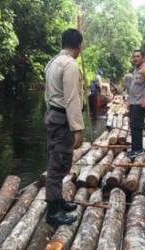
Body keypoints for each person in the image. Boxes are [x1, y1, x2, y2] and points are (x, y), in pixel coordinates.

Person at [44, 28, 84, 225]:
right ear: (78, 47)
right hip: (62, 119)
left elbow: (47, 94)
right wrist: (78, 128)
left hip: (53, 115)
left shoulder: (52, 63)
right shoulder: (70, 65)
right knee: (58, 164)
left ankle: (58, 201)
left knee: (57, 159)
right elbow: (71, 99)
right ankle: (53, 212)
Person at [124, 49, 145, 160]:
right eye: (134, 56)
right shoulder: (136, 70)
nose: (135, 58)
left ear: (143, 58)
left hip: (140, 102)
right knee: (133, 125)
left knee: (137, 125)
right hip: (133, 102)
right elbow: (133, 87)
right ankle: (136, 148)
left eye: (137, 56)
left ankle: (138, 150)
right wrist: (128, 101)